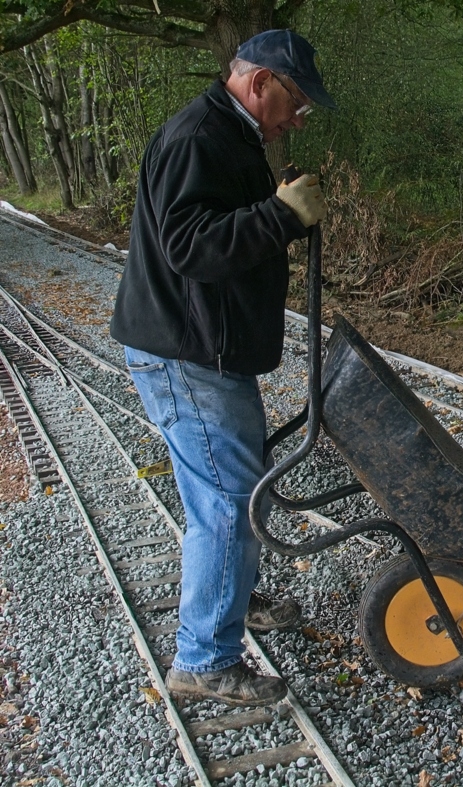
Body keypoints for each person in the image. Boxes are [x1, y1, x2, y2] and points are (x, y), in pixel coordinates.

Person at [110, 29, 335, 706]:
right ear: (261, 82)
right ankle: (205, 657)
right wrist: (278, 217)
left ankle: (229, 595)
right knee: (228, 502)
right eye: (297, 102)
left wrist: (272, 207)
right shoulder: (198, 138)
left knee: (231, 491)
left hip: (203, 348)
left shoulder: (229, 133)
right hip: (187, 354)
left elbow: (217, 223)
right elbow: (189, 247)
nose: (299, 119)